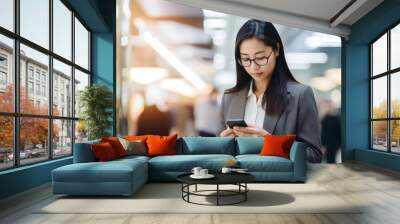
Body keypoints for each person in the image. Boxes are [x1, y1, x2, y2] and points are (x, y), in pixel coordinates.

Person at [218, 19, 322, 163]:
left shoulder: (301, 95)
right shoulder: (230, 97)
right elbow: (222, 154)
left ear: (277, 50)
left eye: (261, 58)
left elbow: (314, 155)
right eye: (245, 59)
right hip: (238, 181)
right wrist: (224, 145)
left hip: (279, 183)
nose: (253, 67)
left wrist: (268, 142)